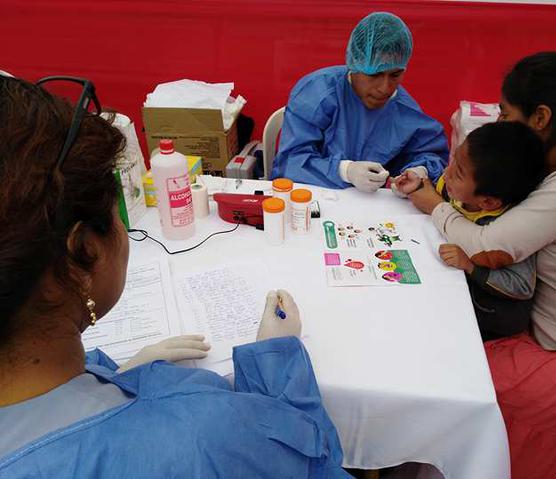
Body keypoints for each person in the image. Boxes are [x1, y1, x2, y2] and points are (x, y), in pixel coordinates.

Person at [0, 76, 351, 478]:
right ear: (84, 255)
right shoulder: (204, 437)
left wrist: (118, 376)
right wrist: (278, 361)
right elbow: (314, 461)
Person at [405, 52, 556, 478]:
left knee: (450, 381)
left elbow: (487, 248)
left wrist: (434, 206)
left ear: (540, 117)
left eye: (506, 113)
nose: (497, 122)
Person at [395, 121, 545, 341]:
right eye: (453, 160)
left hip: (489, 316)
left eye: (458, 174)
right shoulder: (461, 189)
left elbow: (521, 286)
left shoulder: (507, 229)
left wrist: (470, 265)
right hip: (451, 282)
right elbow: (438, 195)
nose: (446, 173)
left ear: (488, 202)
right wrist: (417, 186)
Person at [271, 12, 449, 192]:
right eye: (374, 75)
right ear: (354, 64)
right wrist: (344, 171)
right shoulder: (317, 94)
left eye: (395, 75)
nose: (385, 88)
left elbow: (432, 155)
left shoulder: (404, 110)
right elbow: (289, 164)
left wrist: (419, 171)